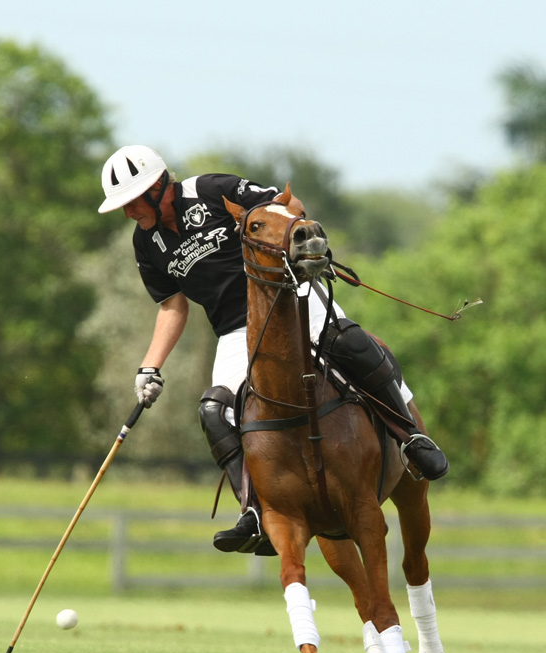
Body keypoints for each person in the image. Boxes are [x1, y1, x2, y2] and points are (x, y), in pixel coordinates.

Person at [98, 145, 449, 556]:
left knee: (350, 343)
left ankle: (411, 438)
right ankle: (255, 512)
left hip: (291, 299)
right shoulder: (147, 243)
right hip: (235, 332)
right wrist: (149, 367)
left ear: (159, 188)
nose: (128, 212)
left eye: (132, 201)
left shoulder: (212, 190)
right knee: (214, 411)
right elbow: (172, 306)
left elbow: (288, 206)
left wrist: (300, 242)